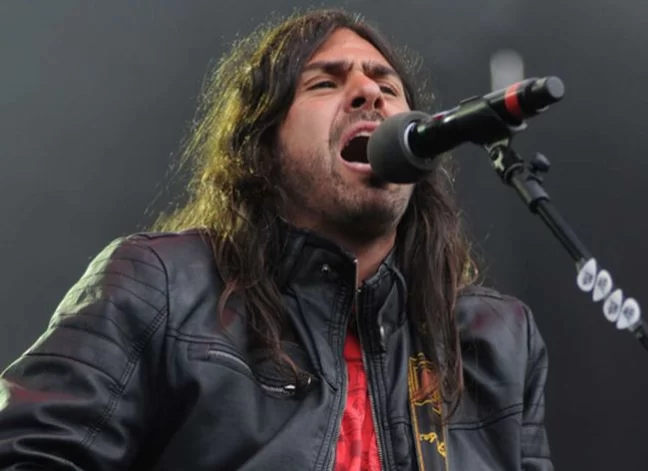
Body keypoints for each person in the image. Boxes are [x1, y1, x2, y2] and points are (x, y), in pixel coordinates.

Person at [0, 8, 553, 470]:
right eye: (325, 82)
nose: (368, 93)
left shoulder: (496, 338)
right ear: (263, 146)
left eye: (388, 86)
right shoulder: (159, 286)